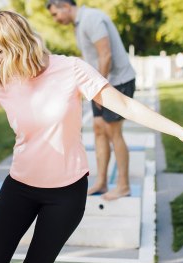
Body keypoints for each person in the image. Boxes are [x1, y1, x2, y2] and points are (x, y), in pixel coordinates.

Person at [0, 11, 183, 263]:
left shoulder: (70, 69)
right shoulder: (1, 81)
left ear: (18, 42)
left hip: (66, 195)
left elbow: (125, 105)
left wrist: (179, 131)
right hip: (19, 188)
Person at [47, 0, 136, 200]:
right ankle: (102, 182)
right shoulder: (79, 25)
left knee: (114, 132)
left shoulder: (91, 19)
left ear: (65, 6)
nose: (56, 19)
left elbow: (106, 55)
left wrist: (97, 89)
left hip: (118, 82)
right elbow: (91, 57)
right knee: (98, 129)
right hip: (101, 83)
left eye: (55, 14)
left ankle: (124, 185)